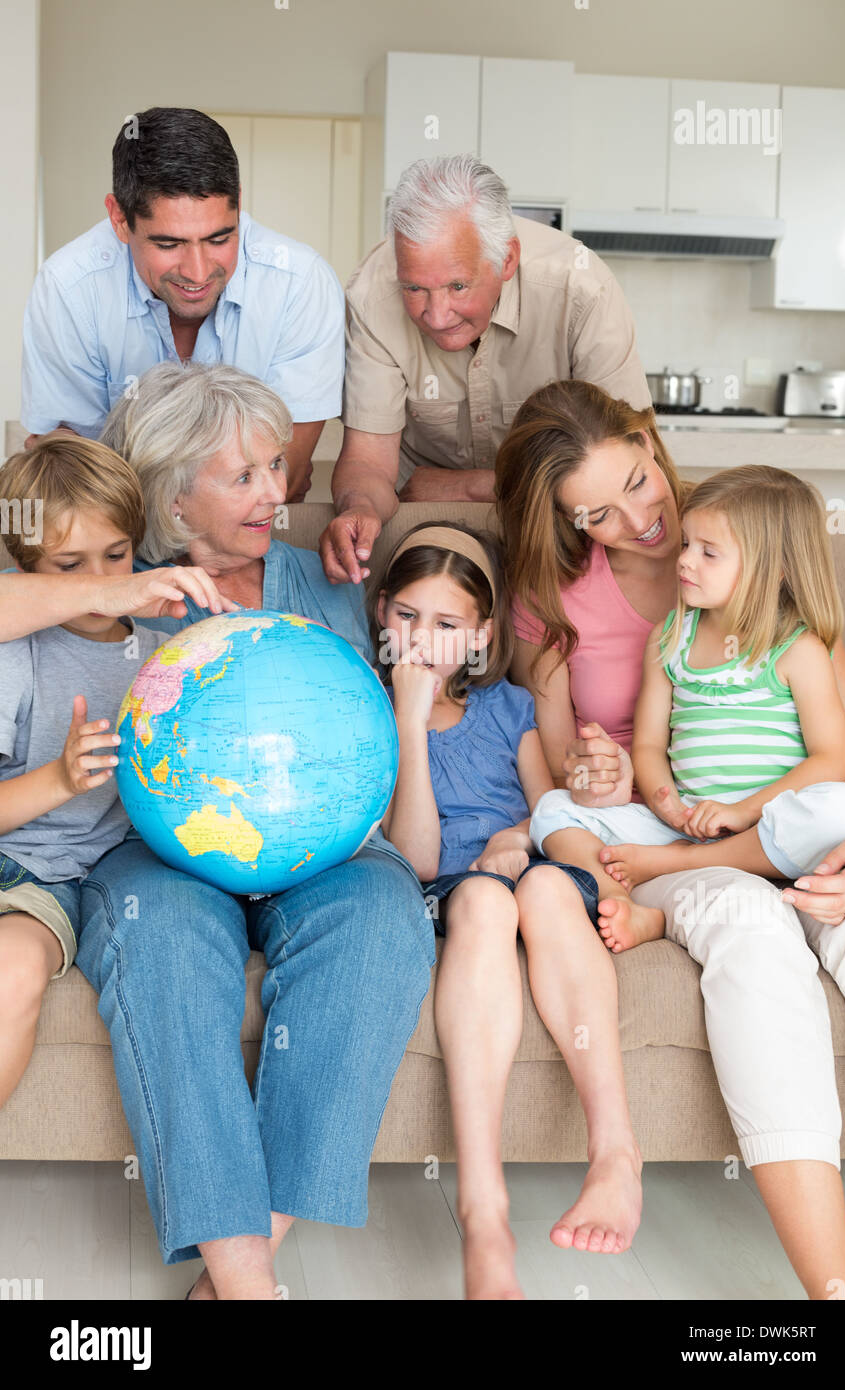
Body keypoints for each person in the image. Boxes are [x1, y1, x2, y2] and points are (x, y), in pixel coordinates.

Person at [0, 362, 435, 1300]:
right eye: (243, 476)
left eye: (277, 467)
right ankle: (250, 1290)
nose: (279, 494)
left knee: (383, 926)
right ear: (171, 492)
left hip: (326, 852)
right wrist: (121, 594)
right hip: (157, 853)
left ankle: (241, 1270)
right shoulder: (112, 582)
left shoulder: (318, 578)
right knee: (162, 942)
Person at [496, 378, 845, 1301]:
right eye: (598, 513)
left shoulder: (749, 539)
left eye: (639, 480)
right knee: (752, 935)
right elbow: (557, 761)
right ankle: (836, 1289)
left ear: (650, 440)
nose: (639, 520)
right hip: (659, 835)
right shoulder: (557, 599)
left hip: (790, 818)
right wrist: (599, 773)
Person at [371, 521, 652, 1300]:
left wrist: (513, 836)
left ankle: (614, 1154)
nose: (423, 641)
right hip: (448, 894)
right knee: (485, 904)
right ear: (381, 616)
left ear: (484, 635)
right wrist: (406, 719)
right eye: (406, 617)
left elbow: (554, 813)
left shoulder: (509, 709)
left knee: (543, 884)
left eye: (448, 624)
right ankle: (484, 1208)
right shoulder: (364, 712)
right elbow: (419, 856)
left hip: (530, 876)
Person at [527, 465, 845, 952]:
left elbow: (832, 760)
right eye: (687, 544)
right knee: (553, 811)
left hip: (768, 826)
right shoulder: (669, 638)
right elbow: (647, 744)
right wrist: (667, 803)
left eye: (709, 553)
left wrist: (741, 811)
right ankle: (626, 899)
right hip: (686, 823)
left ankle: (678, 865)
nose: (684, 562)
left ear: (775, 570)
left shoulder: (799, 649)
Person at [0, 437, 225, 1107]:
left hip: (45, 882)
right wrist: (59, 780)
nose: (103, 580)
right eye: (69, 566)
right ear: (27, 567)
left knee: (13, 969)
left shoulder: (164, 658)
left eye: (118, 555)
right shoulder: (16, 651)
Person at [319, 154, 651, 584]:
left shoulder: (581, 289)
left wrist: (472, 486)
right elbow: (368, 463)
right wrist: (359, 508)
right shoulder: (371, 296)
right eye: (414, 288)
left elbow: (627, 464)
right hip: (421, 524)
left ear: (507, 260)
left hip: (562, 522)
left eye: (458, 286)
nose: (436, 316)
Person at [21, 107, 345, 502]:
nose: (197, 272)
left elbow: (284, 480)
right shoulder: (68, 289)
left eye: (219, 239)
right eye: (169, 244)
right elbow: (69, 472)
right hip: (121, 540)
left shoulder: (301, 284)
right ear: (119, 219)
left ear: (238, 205)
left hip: (252, 541)